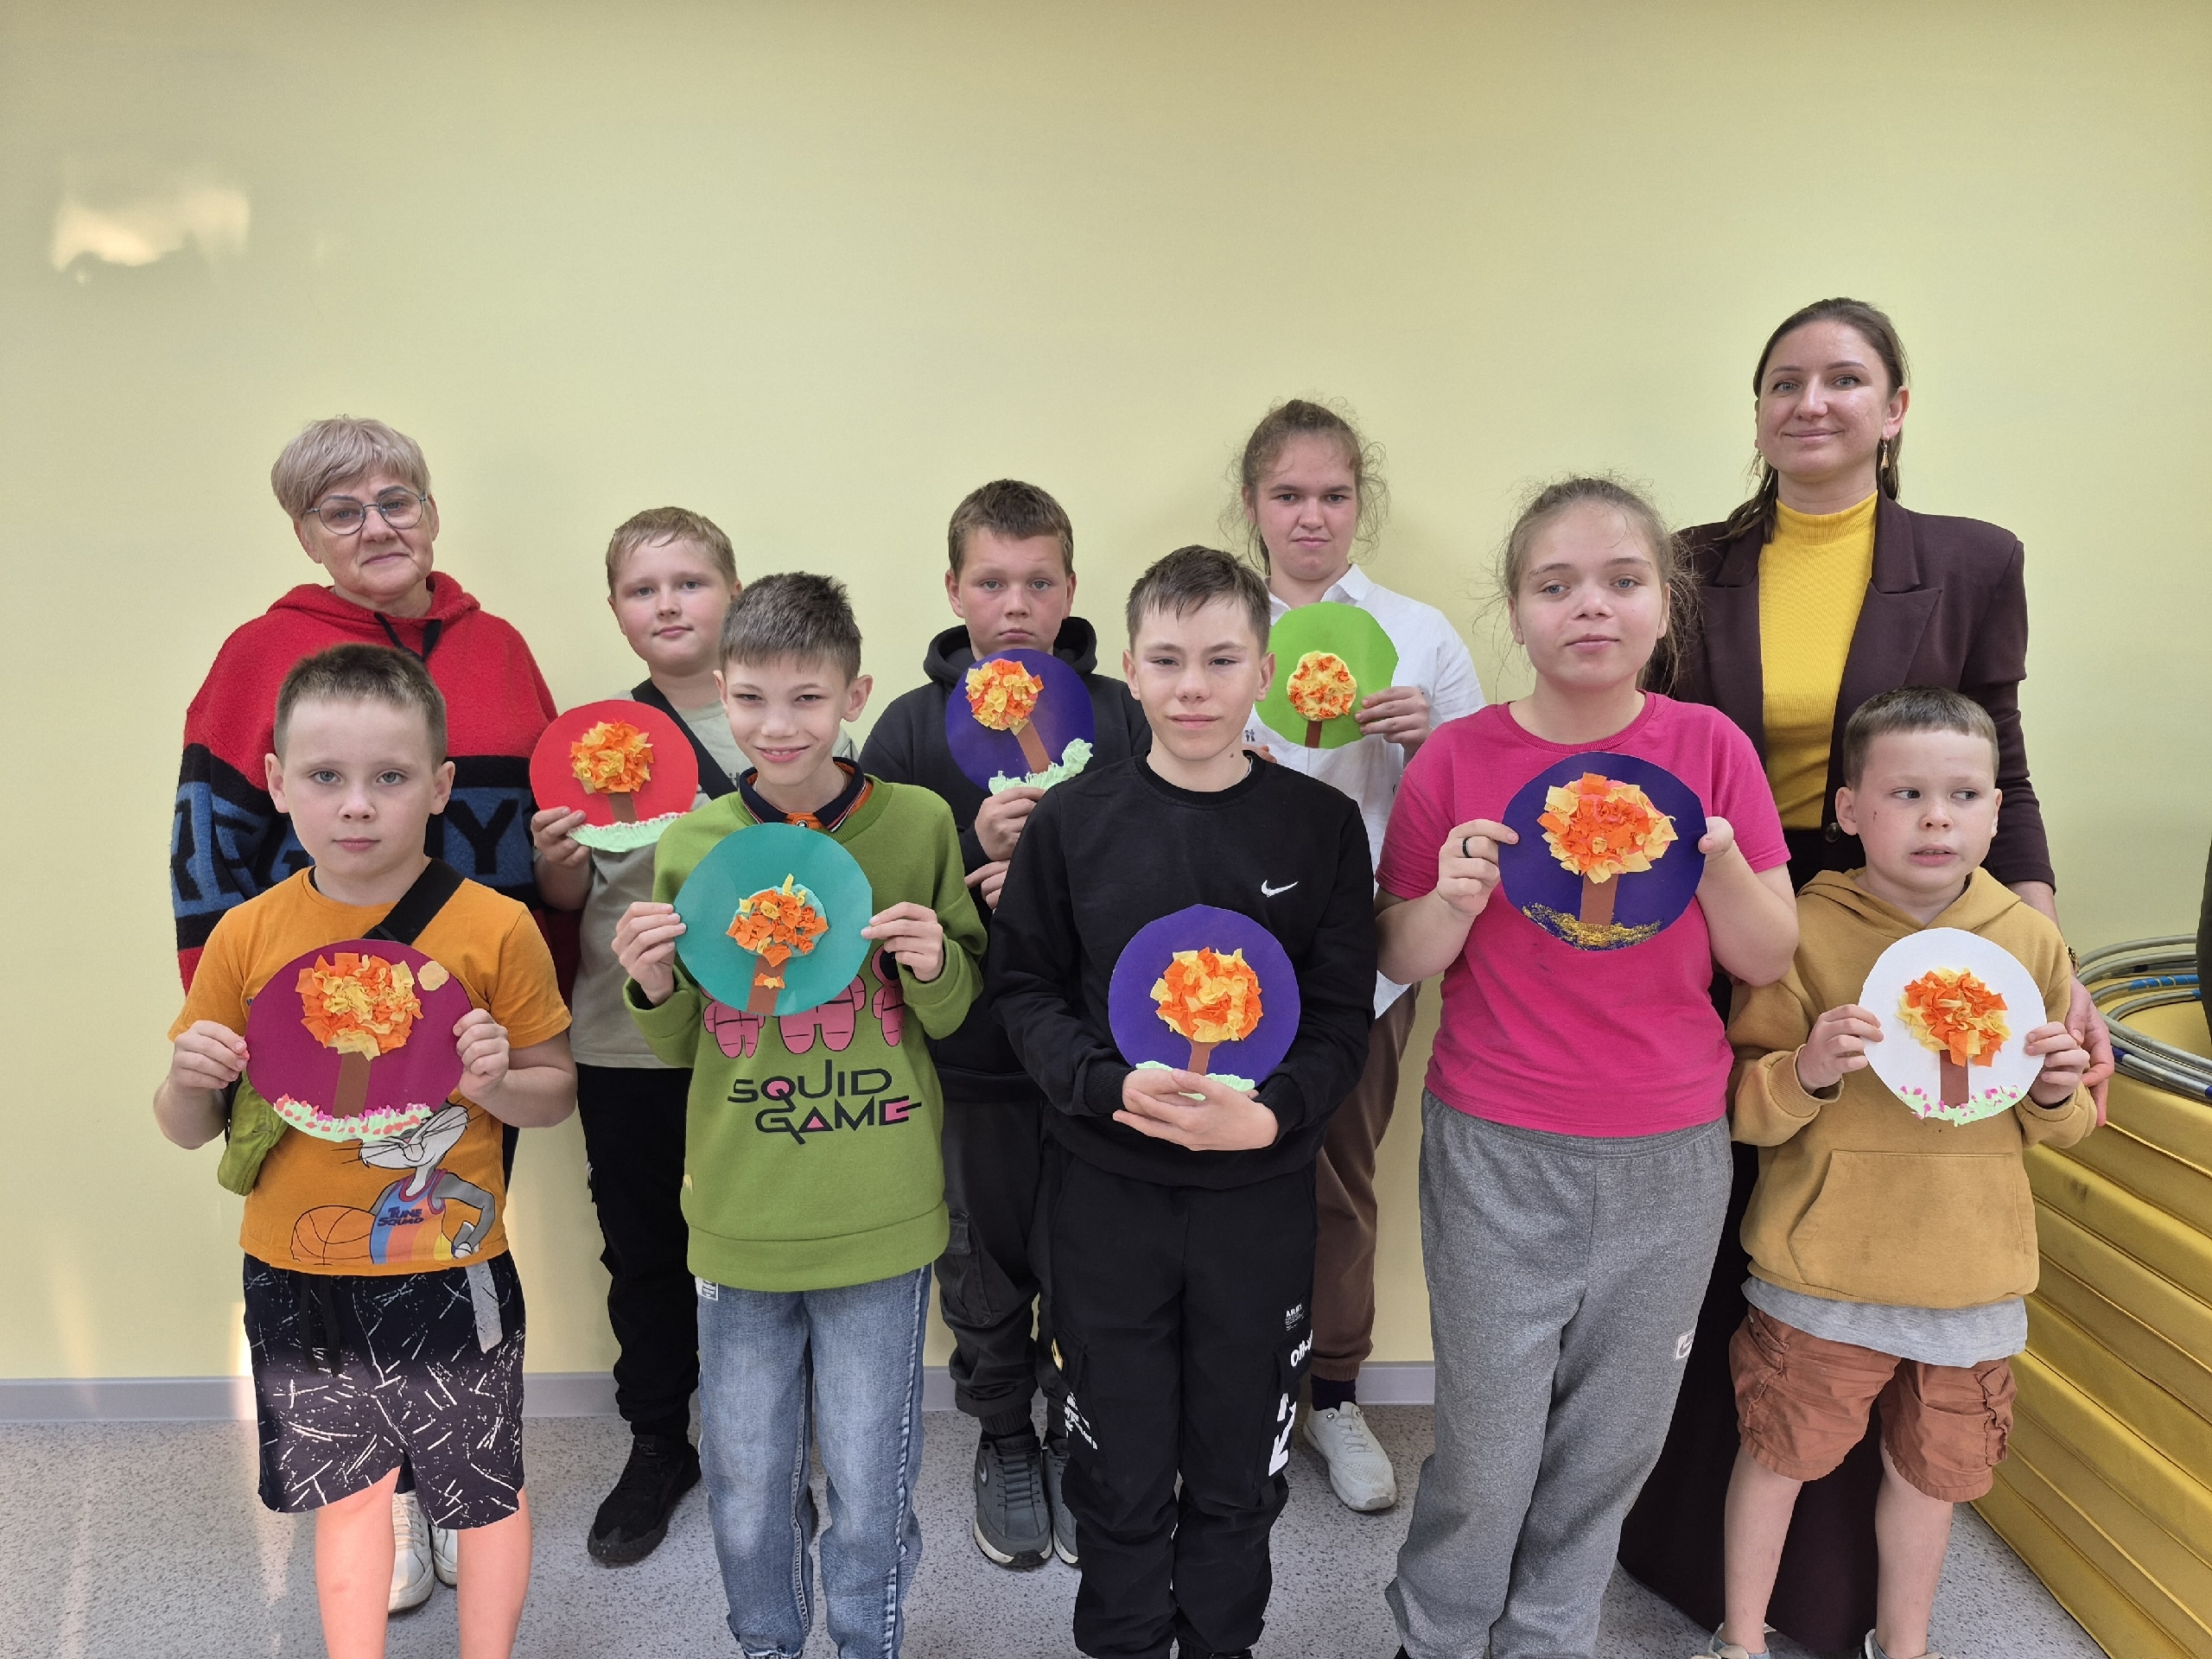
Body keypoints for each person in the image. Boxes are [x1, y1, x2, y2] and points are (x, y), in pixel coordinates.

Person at [1621, 297, 2112, 1648]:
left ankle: (1857, 1604)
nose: (1812, 401)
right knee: (1746, 1221)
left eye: (1845, 379)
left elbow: (2000, 754)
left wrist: (2043, 945)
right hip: (1734, 904)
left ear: (1895, 409)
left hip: (1915, 897)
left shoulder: (1972, 560)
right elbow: (1649, 740)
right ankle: (1706, 1572)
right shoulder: (1690, 564)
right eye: (1785, 380)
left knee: (1891, 1205)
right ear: (1758, 409)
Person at [1374, 478, 1798, 1659]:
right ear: (1516, 610)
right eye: (1555, 585)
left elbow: (1768, 954)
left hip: (1670, 1147)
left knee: (1615, 1435)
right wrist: (1451, 899)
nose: (1590, 607)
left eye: (1621, 581)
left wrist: (1719, 862)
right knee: (1488, 1434)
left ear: (1664, 604)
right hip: (1496, 1143)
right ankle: (1439, 1629)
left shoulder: (1707, 748)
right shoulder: (1457, 757)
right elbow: (1396, 953)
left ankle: (1552, 1633)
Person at [170, 416, 564, 1605]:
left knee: (439, 1242)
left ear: (432, 510)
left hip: (476, 1027)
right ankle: (384, 1500)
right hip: (320, 1034)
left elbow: (549, 834)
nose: (377, 525)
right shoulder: (260, 656)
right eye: (342, 510)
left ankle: (450, 1485)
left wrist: (538, 1010)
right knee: (340, 1265)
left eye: (397, 499)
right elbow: (209, 844)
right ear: (306, 535)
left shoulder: (500, 649)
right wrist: (223, 1036)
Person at [990, 546, 1377, 1659]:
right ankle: (1120, 1640)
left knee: (1238, 1470)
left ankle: (1221, 1641)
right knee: (1114, 1468)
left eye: (1219, 659)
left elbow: (1340, 1015)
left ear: (1265, 670)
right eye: (1166, 660)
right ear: (1129, 668)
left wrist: (1273, 1114)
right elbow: (1025, 989)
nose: (1192, 687)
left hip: (1258, 1200)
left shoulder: (1318, 827)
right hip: (1106, 1197)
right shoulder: (1074, 823)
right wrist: (1103, 1082)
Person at [613, 573, 984, 1659]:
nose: (778, 727)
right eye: (751, 699)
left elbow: (956, 1012)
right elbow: (681, 1044)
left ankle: (868, 1642)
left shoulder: (917, 824)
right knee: (745, 1483)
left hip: (880, 1209)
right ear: (721, 693)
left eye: (808, 699)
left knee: (872, 1481)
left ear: (854, 696)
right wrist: (650, 982)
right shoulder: (694, 844)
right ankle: (767, 1644)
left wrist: (934, 961)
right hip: (742, 1213)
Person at [1695, 688, 2095, 1659]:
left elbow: (2069, 1122)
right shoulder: (1800, 929)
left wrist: (2054, 1091)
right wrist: (1806, 1070)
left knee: (1933, 1480)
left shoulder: (2031, 941)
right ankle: (1740, 1638)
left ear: (1996, 813)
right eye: (1907, 793)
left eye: (1964, 795)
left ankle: (1905, 1644)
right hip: (1823, 1273)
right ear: (1848, 809)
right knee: (1778, 1457)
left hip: (1973, 1279)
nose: (1936, 819)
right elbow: (1740, 1105)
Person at [529, 508, 838, 1564]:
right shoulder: (590, 747)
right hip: (625, 1041)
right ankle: (660, 1440)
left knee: (776, 1246)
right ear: (617, 612)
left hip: (765, 1037)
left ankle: (779, 1447)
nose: (667, 605)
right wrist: (557, 863)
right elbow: (572, 904)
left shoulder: (790, 724)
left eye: (690, 583)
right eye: (642, 589)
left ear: (734, 595)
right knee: (645, 1248)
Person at [860, 480, 1150, 1570]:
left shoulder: (1122, 712)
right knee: (978, 1262)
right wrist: (962, 859)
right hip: (967, 1058)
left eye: (1037, 582)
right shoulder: (905, 727)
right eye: (991, 582)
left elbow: (1165, 868)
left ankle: (1075, 1429)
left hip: (1094, 1052)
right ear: (954, 590)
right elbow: (866, 897)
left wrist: (1061, 875)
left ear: (1070, 589)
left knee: (1091, 1256)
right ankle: (1002, 1435)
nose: (1015, 604)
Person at [1232, 399, 1483, 1512]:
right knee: (1216, 1175)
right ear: (1252, 506)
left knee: (1337, 1176)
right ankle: (1231, 1386)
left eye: (1333, 495)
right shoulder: (1215, 618)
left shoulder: (1416, 634)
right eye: (1287, 494)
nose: (1311, 516)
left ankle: (1333, 1394)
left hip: (1362, 951)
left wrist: (1427, 739)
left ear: (1359, 505)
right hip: (1216, 952)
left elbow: (1479, 801)